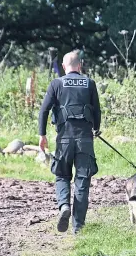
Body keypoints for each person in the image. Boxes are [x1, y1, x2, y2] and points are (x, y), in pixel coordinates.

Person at [38, 50, 101, 234]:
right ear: (80, 65)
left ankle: (64, 205)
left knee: (62, 175)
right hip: (85, 140)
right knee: (82, 181)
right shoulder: (89, 83)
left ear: (64, 67)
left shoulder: (56, 83)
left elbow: (43, 111)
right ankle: (78, 227)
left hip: (64, 139)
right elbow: (97, 111)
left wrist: (42, 135)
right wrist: (96, 129)